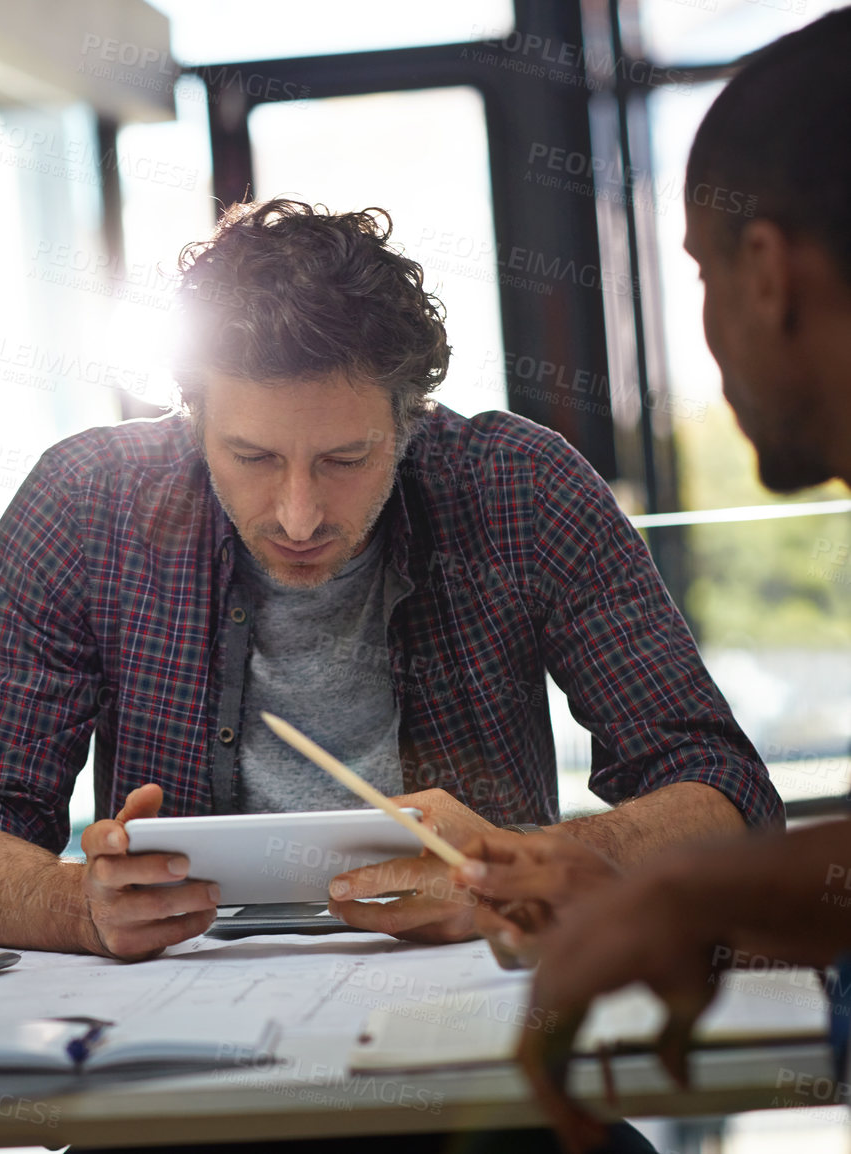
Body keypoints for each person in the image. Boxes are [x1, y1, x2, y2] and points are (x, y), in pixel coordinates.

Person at [0, 196, 781, 962]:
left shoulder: (520, 486)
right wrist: (79, 904)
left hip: (468, 1017)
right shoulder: (82, 504)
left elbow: (725, 792)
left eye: (344, 459)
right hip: (182, 1032)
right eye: (251, 456)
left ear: (410, 421)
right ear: (192, 412)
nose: (298, 515)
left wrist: (529, 866)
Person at [451, 11, 851, 1151]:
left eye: (697, 271)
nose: (707, 334)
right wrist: (691, 893)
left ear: (766, 274)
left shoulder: (519, 482)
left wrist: (689, 889)